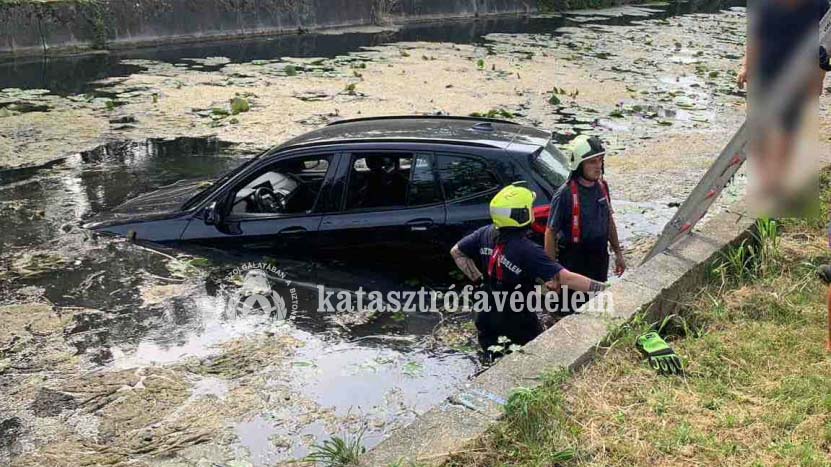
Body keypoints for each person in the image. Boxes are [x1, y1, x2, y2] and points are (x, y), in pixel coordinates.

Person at [450, 183, 606, 357]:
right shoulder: (527, 250)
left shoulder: (485, 233)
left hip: (486, 313)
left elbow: (456, 251)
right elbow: (566, 278)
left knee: (491, 360)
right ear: (523, 214)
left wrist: (479, 280)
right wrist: (603, 289)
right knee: (533, 358)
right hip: (517, 320)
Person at [737, 0, 828, 206]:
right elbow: (755, 36)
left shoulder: (820, 4)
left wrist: (819, 77)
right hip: (766, 71)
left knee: (789, 128)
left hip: (799, 77)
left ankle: (781, 181)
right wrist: (746, 66)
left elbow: (825, 44)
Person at [544, 135, 624, 313]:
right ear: (579, 165)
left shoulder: (602, 186)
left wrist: (618, 252)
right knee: (569, 311)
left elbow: (609, 220)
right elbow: (550, 233)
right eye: (592, 162)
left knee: (596, 305)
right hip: (574, 262)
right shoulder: (564, 194)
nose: (598, 166)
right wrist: (553, 274)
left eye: (600, 161)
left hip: (599, 259)